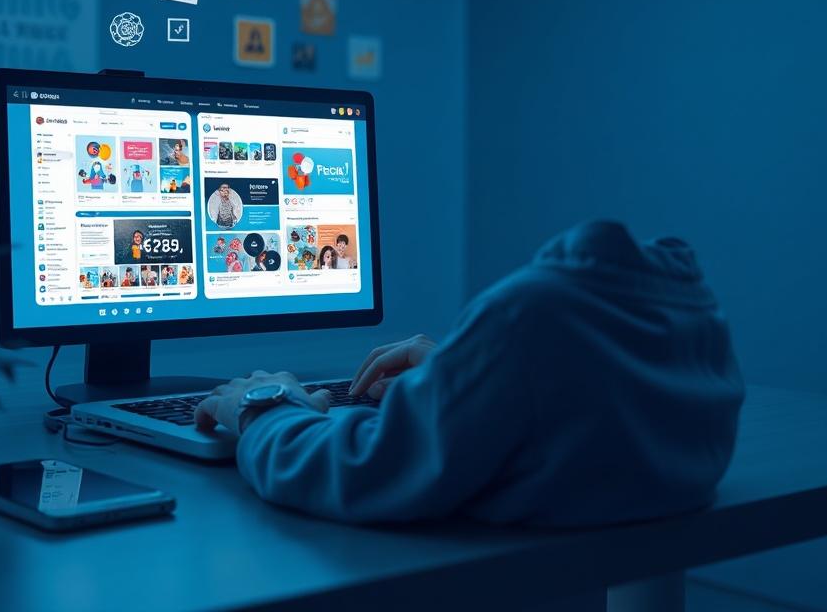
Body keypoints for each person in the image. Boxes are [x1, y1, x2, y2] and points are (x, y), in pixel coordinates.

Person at [195, 221, 745, 526]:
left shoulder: (532, 313)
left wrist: (263, 405)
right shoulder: (689, 309)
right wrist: (467, 373)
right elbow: (581, 401)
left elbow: (364, 469)